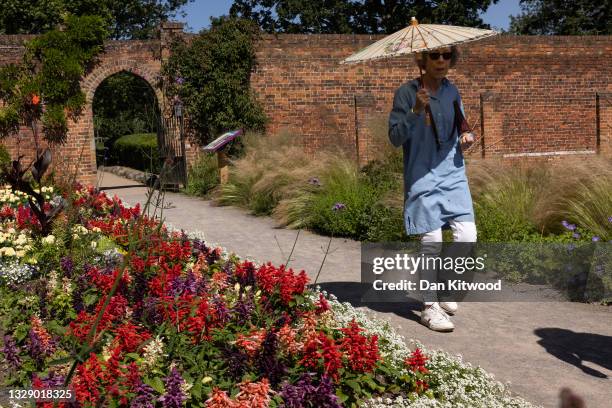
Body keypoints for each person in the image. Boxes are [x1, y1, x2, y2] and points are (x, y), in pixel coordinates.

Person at [388, 45, 476, 332]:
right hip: (422, 174)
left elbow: (462, 124)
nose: (441, 61)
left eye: (446, 56)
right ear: (422, 60)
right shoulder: (406, 92)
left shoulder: (452, 91)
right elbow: (395, 137)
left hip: (452, 171)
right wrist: (415, 110)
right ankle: (429, 307)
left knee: (467, 235)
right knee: (432, 240)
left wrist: (466, 136)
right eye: (434, 56)